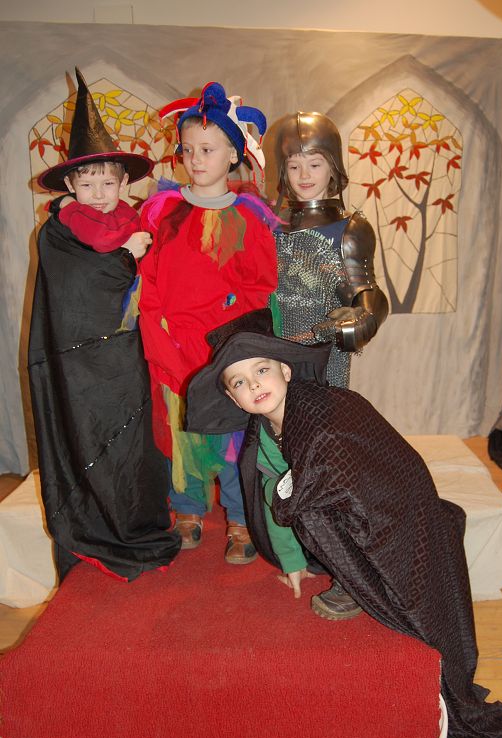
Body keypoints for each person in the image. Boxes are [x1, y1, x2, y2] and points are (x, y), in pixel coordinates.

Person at [185, 308, 502, 738]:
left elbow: (364, 470)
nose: (255, 385)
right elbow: (271, 494)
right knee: (302, 500)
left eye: (261, 370)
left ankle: (359, 577)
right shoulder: (262, 436)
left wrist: (313, 503)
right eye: (240, 382)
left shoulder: (323, 412)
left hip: (394, 509)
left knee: (312, 503)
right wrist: (291, 560)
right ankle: (349, 568)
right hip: (346, 518)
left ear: (286, 370)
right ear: (233, 398)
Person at [29, 67, 181, 582]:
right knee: (90, 440)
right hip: (81, 366)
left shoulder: (134, 220)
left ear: (123, 183)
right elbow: (80, 286)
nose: (98, 193)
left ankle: (137, 521)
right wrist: (126, 257)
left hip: (128, 356)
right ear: (70, 185)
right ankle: (94, 526)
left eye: (108, 182)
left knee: (134, 440)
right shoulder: (58, 232)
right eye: (87, 183)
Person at [138, 82, 278, 564]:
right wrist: (160, 331)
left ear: (233, 154)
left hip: (227, 347)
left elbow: (261, 284)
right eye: (188, 149)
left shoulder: (250, 217)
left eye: (208, 149)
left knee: (232, 433)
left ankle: (239, 517)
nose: (195, 159)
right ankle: (188, 509)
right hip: (175, 343)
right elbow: (149, 280)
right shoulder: (163, 212)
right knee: (184, 431)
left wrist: (236, 328)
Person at [271, 111, 388, 387]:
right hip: (271, 358)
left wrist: (357, 322)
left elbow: (369, 295)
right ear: (283, 171)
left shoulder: (349, 229)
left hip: (324, 364)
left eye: (315, 164)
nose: (304, 175)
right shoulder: (269, 226)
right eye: (294, 166)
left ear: (333, 166)